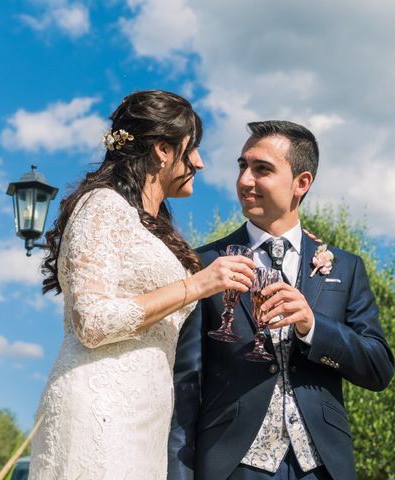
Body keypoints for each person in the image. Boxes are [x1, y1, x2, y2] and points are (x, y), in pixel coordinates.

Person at [29, 90, 255, 480]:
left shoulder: (155, 229)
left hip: (146, 421)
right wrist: (197, 286)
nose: (200, 163)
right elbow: (92, 322)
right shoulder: (101, 205)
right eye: (193, 148)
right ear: (164, 150)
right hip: (100, 410)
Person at [168, 121, 395, 480]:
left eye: (262, 169)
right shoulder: (203, 264)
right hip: (232, 464)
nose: (245, 181)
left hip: (322, 467)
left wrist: (313, 326)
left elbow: (379, 367)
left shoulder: (347, 268)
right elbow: (184, 385)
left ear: (301, 183)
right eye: (243, 166)